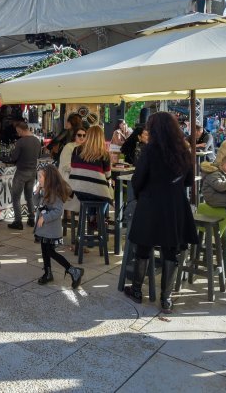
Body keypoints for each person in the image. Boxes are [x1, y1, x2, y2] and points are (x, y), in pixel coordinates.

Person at [125, 112, 199, 313]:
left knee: (143, 247)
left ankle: (138, 290)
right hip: (174, 205)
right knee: (170, 250)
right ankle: (166, 299)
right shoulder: (184, 151)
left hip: (150, 203)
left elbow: (138, 180)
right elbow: (188, 181)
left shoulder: (150, 151)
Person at [33, 165, 84, 288]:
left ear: (49, 178)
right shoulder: (44, 190)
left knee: (50, 251)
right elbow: (35, 203)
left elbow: (58, 211)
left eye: (40, 177)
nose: (38, 179)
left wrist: (44, 217)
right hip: (44, 229)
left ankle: (73, 270)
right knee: (45, 251)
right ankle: (48, 272)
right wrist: (37, 192)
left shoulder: (54, 193)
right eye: (38, 176)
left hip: (50, 230)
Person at [3, 121, 42, 230]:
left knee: (16, 197)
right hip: (32, 172)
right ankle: (31, 218)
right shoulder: (37, 141)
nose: (17, 133)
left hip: (21, 172)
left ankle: (18, 221)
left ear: (20, 129)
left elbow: (14, 158)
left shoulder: (21, 142)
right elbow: (39, 155)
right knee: (29, 196)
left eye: (17, 131)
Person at [69, 125, 113, 204]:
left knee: (93, 190)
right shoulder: (104, 154)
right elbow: (108, 176)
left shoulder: (76, 150)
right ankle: (100, 215)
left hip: (78, 190)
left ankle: (92, 215)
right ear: (101, 137)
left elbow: (72, 167)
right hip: (95, 191)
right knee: (105, 192)